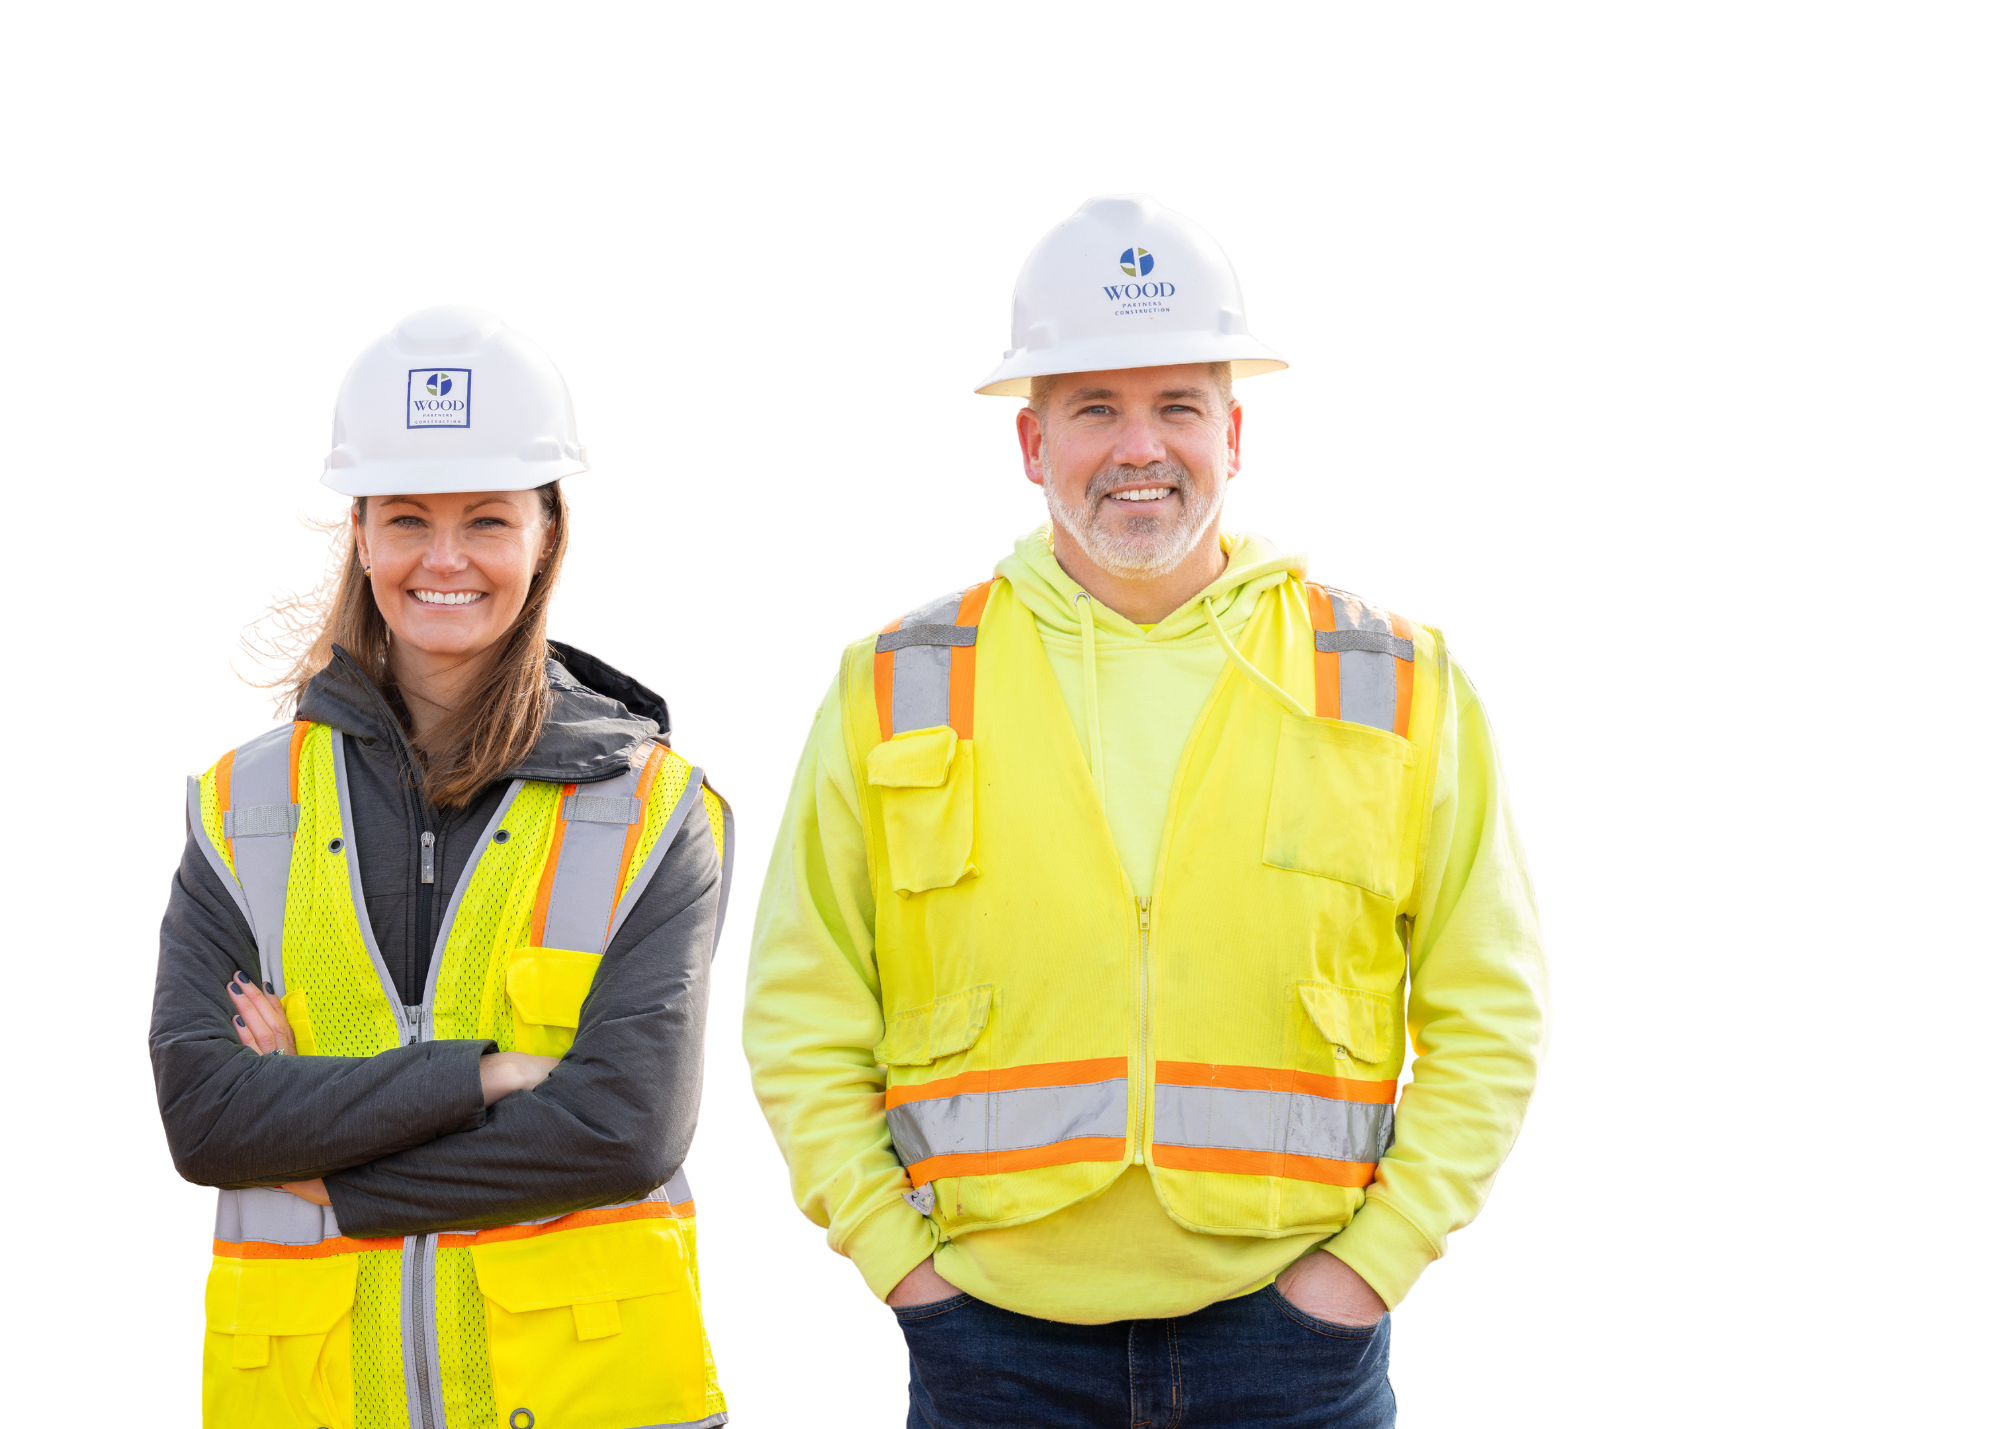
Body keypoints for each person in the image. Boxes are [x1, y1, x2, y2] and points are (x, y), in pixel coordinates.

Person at [742, 195, 1546, 1427]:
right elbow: (802, 1006)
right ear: (1028, 442)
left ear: (1232, 432)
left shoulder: (1389, 676)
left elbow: (1488, 1006)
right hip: (991, 1345)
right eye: (1093, 410)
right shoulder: (897, 680)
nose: (1138, 448)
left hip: (1293, 1343)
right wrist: (901, 1270)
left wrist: (1367, 1271)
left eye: (1175, 406)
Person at [152, 306, 730, 1429]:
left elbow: (624, 1129)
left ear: (546, 533)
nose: (445, 558)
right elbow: (208, 1119)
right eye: (408, 518)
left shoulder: (650, 810)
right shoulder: (242, 808)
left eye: (485, 519)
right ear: (360, 533)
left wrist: (332, 1172)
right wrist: (480, 1078)